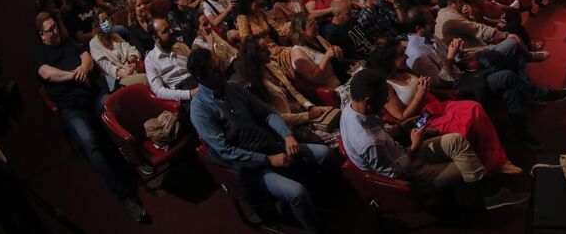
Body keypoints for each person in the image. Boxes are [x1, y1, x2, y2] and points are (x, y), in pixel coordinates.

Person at [188, 47, 333, 234]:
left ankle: (316, 202)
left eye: (220, 66)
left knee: (325, 154)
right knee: (297, 192)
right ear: (201, 78)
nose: (221, 72)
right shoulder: (200, 110)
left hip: (267, 145)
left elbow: (266, 113)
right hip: (249, 165)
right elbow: (226, 151)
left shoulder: (232, 88)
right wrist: (268, 160)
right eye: (215, 71)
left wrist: (287, 135)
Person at [340, 69, 528, 209]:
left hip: (402, 153)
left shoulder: (352, 108)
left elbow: (384, 136)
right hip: (409, 177)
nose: (384, 104)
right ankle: (481, 201)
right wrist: (414, 145)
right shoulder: (367, 141)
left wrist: (401, 128)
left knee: (457, 141)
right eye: (382, 99)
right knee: (469, 160)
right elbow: (394, 174)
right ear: (368, 101)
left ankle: (469, 196)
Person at [34, 12, 147, 222]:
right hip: (71, 107)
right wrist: (73, 75)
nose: (55, 32)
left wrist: (83, 70)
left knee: (117, 110)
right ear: (42, 35)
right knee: (90, 143)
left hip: (92, 95)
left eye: (56, 27)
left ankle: (139, 156)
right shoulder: (40, 52)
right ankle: (125, 197)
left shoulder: (68, 42)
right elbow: (47, 73)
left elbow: (87, 59)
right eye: (50, 30)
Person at [405, 12, 565, 148]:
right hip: (458, 89)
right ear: (419, 29)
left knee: (509, 74)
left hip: (466, 75)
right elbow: (441, 82)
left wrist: (458, 54)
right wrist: (451, 57)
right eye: (430, 22)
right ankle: (540, 95)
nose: (434, 22)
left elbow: (454, 64)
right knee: (507, 76)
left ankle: (520, 130)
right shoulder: (416, 55)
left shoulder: (431, 37)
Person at [369, 41, 520, 175]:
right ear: (389, 61)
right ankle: (482, 165)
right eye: (402, 54)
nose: (407, 57)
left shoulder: (403, 70)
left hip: (437, 106)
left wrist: (427, 88)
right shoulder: (386, 86)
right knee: (464, 125)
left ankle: (497, 161)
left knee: (475, 107)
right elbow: (401, 116)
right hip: (422, 119)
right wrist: (420, 94)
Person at [144, 16, 199, 107]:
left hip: (197, 81)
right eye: (165, 31)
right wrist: (189, 94)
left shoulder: (179, 45)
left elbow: (196, 65)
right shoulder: (150, 60)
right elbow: (159, 91)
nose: (171, 32)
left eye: (169, 28)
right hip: (182, 92)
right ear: (155, 38)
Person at [88, 9, 147, 91]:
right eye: (103, 21)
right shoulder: (94, 43)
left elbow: (132, 50)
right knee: (145, 80)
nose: (107, 22)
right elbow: (106, 67)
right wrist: (123, 72)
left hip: (130, 70)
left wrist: (130, 61)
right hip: (117, 80)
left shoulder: (114, 36)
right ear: (97, 25)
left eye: (108, 19)